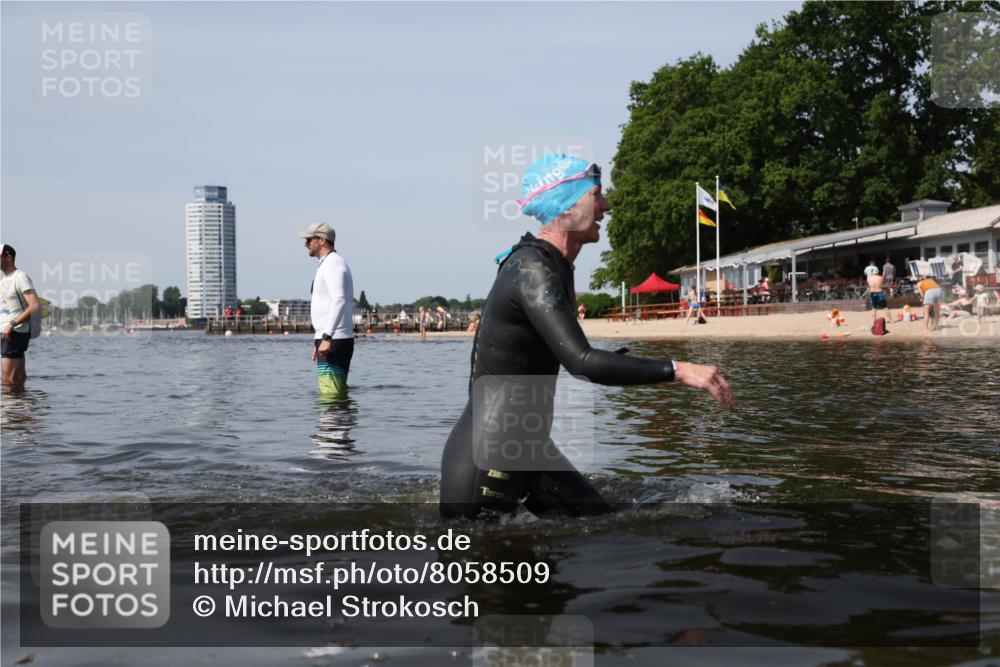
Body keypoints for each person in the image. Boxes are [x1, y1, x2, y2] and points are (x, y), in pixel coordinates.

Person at [440, 155, 734, 520]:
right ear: (567, 205)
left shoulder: (552, 265)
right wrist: (680, 370)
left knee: (603, 526)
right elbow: (582, 362)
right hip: (488, 456)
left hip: (527, 448)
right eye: (597, 195)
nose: (607, 206)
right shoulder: (532, 269)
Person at [300, 223, 355, 397]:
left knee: (330, 395)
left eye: (309, 240)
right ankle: (338, 423)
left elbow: (339, 300)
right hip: (329, 337)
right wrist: (319, 338)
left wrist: (327, 337)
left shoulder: (333, 264)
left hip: (335, 338)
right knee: (333, 393)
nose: (306, 244)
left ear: (322, 240)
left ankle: (333, 424)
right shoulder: (327, 263)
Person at [1, 245, 40, 386]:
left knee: (8, 380)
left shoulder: (20, 277)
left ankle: (9, 408)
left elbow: (34, 305)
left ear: (9, 257)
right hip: (7, 332)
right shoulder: (4, 280)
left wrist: (11, 326)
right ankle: (21, 404)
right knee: (16, 378)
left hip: (14, 332)